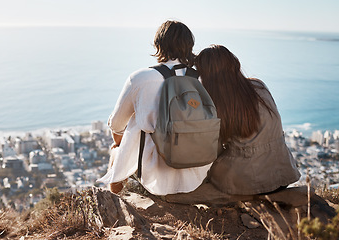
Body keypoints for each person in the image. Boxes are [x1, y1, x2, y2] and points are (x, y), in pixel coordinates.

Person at [97, 20, 212, 196]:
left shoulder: (141, 78)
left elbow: (117, 124)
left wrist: (118, 144)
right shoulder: (201, 79)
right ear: (190, 46)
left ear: (158, 45)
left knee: (120, 143)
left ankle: (116, 198)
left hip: (155, 174)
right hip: (197, 169)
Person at [194, 45, 301, 195]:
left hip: (246, 181)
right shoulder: (259, 86)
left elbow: (211, 148)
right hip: (281, 175)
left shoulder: (216, 103)